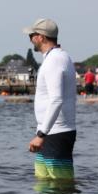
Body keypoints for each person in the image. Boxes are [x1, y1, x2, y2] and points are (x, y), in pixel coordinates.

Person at [23, 19, 77, 184]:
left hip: (55, 132)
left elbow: (56, 99)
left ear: (41, 37)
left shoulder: (55, 60)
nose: (30, 38)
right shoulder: (57, 57)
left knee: (60, 187)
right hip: (49, 131)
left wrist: (41, 135)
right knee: (43, 186)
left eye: (32, 35)